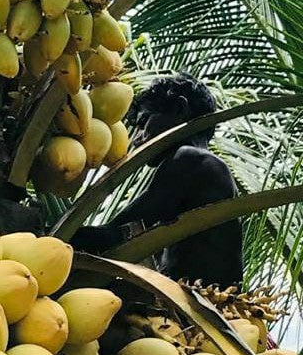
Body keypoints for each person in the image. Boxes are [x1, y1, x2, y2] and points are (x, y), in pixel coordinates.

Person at [71, 73, 243, 288]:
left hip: (203, 302)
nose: (137, 139)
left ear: (179, 110)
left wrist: (51, 237)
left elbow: (118, 233)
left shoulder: (191, 159)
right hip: (203, 304)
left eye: (144, 123)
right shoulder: (204, 166)